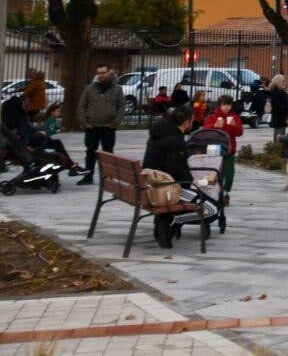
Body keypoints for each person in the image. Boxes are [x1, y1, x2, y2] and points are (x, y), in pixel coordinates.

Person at [142, 105, 216, 248]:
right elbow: (175, 172)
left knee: (195, 194)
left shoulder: (160, 132)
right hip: (165, 188)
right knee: (212, 209)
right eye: (192, 121)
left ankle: (164, 224)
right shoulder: (176, 141)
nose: (193, 124)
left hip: (150, 184)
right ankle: (172, 222)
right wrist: (194, 185)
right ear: (186, 122)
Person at [77, 65, 124, 186]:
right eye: (99, 73)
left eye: (103, 72)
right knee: (90, 153)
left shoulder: (117, 89)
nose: (101, 75)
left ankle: (108, 177)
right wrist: (84, 122)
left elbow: (121, 107)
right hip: (92, 127)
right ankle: (88, 177)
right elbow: (81, 106)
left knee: (108, 153)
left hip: (108, 127)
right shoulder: (89, 88)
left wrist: (115, 123)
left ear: (108, 73)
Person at [202, 95, 244, 199]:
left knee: (229, 174)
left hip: (229, 149)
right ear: (220, 105)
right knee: (214, 173)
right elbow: (205, 129)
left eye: (229, 105)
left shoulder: (234, 117)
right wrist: (214, 125)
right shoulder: (213, 116)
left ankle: (225, 192)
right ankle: (210, 192)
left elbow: (239, 133)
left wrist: (234, 125)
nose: (227, 107)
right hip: (215, 150)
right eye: (224, 105)